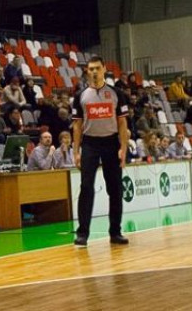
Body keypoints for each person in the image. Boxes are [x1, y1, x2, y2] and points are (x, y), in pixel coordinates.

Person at [72, 56, 130, 248]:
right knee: (86, 187)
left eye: (97, 68)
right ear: (87, 72)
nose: (94, 72)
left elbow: (123, 124)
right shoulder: (80, 96)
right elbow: (77, 126)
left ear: (104, 69)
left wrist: (123, 148)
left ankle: (115, 232)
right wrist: (76, 151)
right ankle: (82, 234)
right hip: (89, 144)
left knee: (115, 189)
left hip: (111, 143)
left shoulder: (116, 94)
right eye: (90, 69)